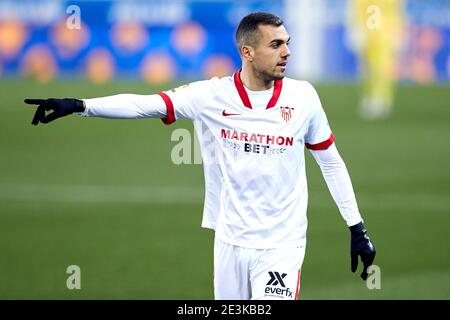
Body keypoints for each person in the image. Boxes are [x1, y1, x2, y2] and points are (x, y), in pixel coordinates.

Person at [24, 12, 375, 300]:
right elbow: (144, 105)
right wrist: (80, 105)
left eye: (288, 44)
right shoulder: (210, 95)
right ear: (248, 52)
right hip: (229, 243)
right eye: (276, 44)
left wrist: (356, 227)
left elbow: (330, 160)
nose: (286, 52)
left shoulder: (303, 98)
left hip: (280, 246)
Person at [346, 0, 405, 120]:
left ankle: (382, 98)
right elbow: (356, 8)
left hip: (385, 32)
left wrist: (399, 31)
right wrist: (355, 27)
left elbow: (396, 11)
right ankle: (368, 96)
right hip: (367, 30)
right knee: (366, 67)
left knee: (383, 67)